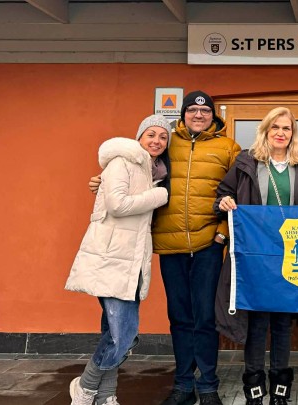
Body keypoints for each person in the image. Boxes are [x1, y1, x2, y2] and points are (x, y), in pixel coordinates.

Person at [89, 91, 241, 405]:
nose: (198, 115)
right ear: (183, 114)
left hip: (208, 244)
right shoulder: (169, 143)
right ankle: (183, 385)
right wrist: (103, 180)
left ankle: (208, 386)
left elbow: (239, 193)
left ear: (213, 115)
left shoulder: (228, 147)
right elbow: (136, 169)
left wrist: (222, 234)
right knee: (180, 317)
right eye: (192, 110)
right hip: (170, 246)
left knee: (205, 318)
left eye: (205, 111)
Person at [214, 107, 298, 405]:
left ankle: (281, 388)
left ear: (293, 134)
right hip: (255, 255)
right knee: (257, 321)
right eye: (275, 127)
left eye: (286, 128)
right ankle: (254, 388)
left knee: (281, 321)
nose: (281, 133)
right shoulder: (246, 162)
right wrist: (225, 201)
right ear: (266, 131)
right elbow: (223, 194)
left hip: (292, 255)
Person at [66, 114, 172, 405]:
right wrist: (159, 196)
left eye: (163, 137)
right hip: (111, 258)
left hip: (132, 262)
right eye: (151, 134)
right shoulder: (122, 162)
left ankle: (105, 395)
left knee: (113, 332)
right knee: (123, 335)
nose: (157, 141)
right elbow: (117, 205)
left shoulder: (155, 172)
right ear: (139, 137)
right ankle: (85, 386)